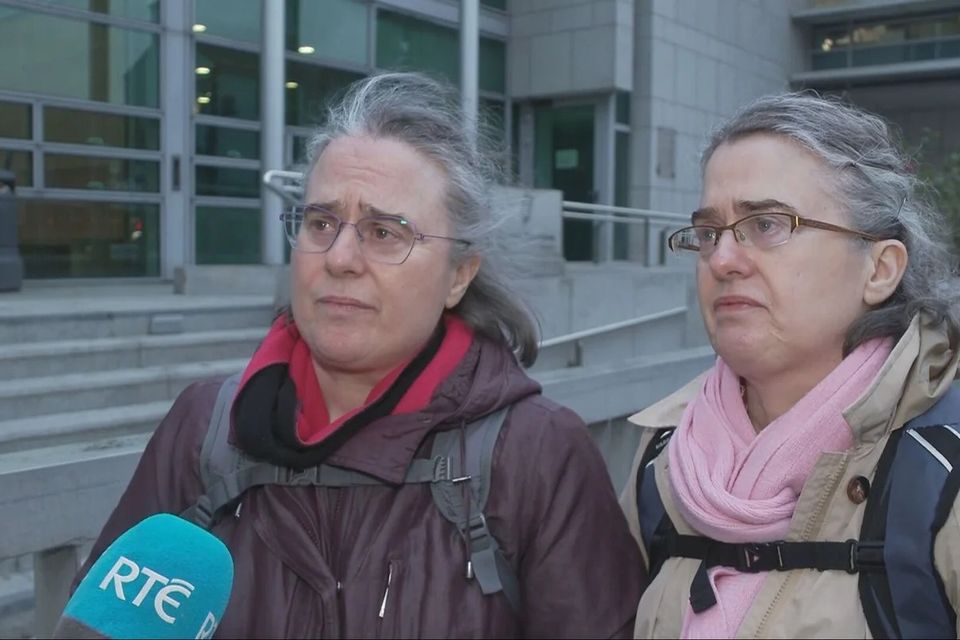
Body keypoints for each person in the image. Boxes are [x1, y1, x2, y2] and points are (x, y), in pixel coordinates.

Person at [72, 72, 644, 638]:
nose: (340, 256)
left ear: (459, 276)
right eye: (321, 222)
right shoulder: (203, 430)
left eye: (384, 232)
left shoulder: (537, 455)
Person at [620, 92, 960, 638]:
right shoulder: (664, 453)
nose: (723, 260)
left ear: (880, 269)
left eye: (769, 224)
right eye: (708, 233)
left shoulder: (942, 469)